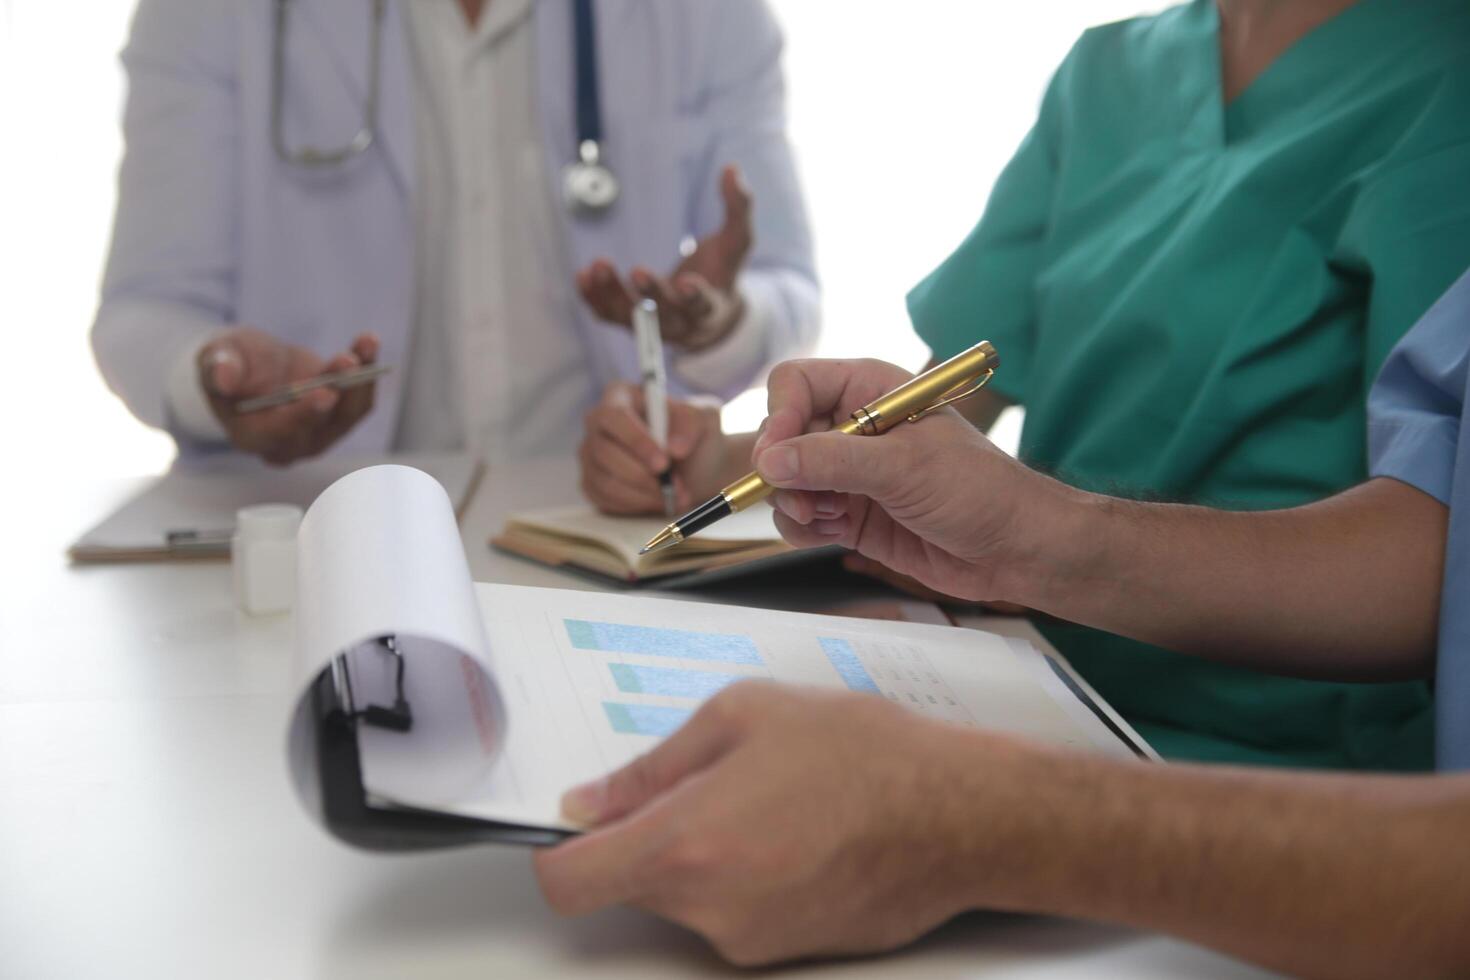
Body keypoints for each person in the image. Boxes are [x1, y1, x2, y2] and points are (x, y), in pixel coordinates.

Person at [578, 0, 1470, 770]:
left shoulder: (1444, 79)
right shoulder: (1108, 73)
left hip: (1283, 762)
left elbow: (1439, 535)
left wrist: (1046, 544)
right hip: (1034, 685)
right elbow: (950, 397)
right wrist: (721, 458)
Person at [532, 268, 1470, 977]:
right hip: (1078, 729)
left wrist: (987, 823)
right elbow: (1443, 535)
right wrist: (1047, 540)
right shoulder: (1115, 75)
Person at [92, 0, 818, 464]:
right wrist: (214, 379)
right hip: (317, 529)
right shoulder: (204, 14)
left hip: (604, 517)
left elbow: (786, 289)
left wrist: (718, 325)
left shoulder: (711, 14)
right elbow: (143, 310)